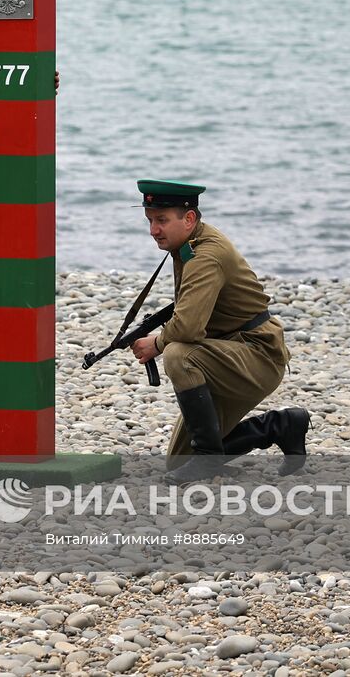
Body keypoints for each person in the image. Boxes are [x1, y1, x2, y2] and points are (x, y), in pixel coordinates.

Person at [129, 179, 309, 480]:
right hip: (224, 357)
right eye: (150, 221)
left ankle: (209, 458)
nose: (153, 230)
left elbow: (187, 327)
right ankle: (280, 426)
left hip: (255, 357)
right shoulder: (188, 245)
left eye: (161, 220)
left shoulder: (205, 255)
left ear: (189, 219)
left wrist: (156, 343)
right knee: (178, 462)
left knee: (178, 354)